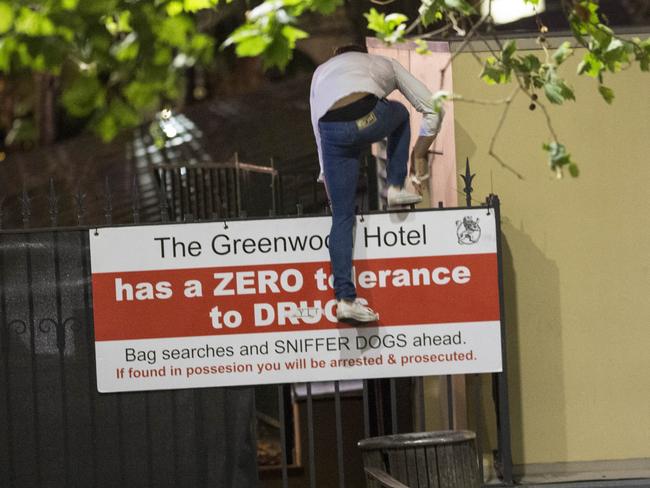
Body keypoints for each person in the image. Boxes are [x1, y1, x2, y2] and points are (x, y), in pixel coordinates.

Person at [310, 44, 444, 324]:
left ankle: (345, 300)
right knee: (401, 114)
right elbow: (432, 108)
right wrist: (418, 154)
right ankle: (395, 187)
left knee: (342, 217)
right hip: (367, 118)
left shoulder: (321, 72)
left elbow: (316, 124)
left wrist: (325, 172)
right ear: (364, 55)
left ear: (336, 55)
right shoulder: (383, 63)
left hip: (331, 131)